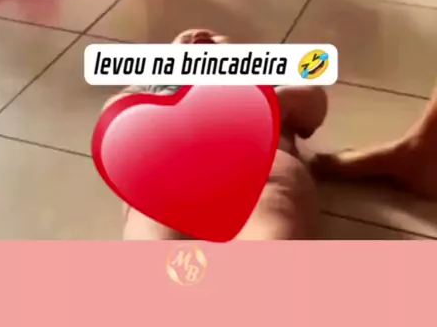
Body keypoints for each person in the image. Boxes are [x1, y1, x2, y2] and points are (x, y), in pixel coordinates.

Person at [101, 29, 437, 240]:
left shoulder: (264, 84)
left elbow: (313, 111)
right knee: (152, 225)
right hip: (167, 172)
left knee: (270, 214)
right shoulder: (151, 89)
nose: (199, 38)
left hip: (259, 167)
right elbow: (114, 124)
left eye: (218, 40)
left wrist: (278, 100)